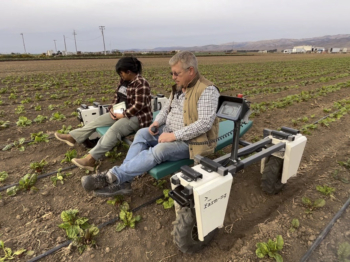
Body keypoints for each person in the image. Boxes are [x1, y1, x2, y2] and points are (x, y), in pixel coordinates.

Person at [81, 51, 220, 197]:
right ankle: (123, 182)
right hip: (168, 132)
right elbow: (166, 109)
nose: (173, 77)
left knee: (159, 150)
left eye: (176, 73)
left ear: (190, 70)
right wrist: (156, 123)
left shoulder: (207, 90)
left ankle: (111, 177)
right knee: (142, 133)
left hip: (192, 142)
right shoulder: (180, 86)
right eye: (171, 73)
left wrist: (173, 136)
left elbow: (204, 124)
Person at [54, 57, 152, 171]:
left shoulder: (142, 83)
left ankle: (91, 159)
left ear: (129, 72)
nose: (120, 75)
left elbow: (138, 105)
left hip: (138, 117)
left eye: (121, 73)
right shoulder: (124, 81)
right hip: (121, 112)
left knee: (114, 130)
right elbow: (117, 97)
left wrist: (123, 115)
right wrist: (112, 109)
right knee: (98, 121)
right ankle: (72, 137)